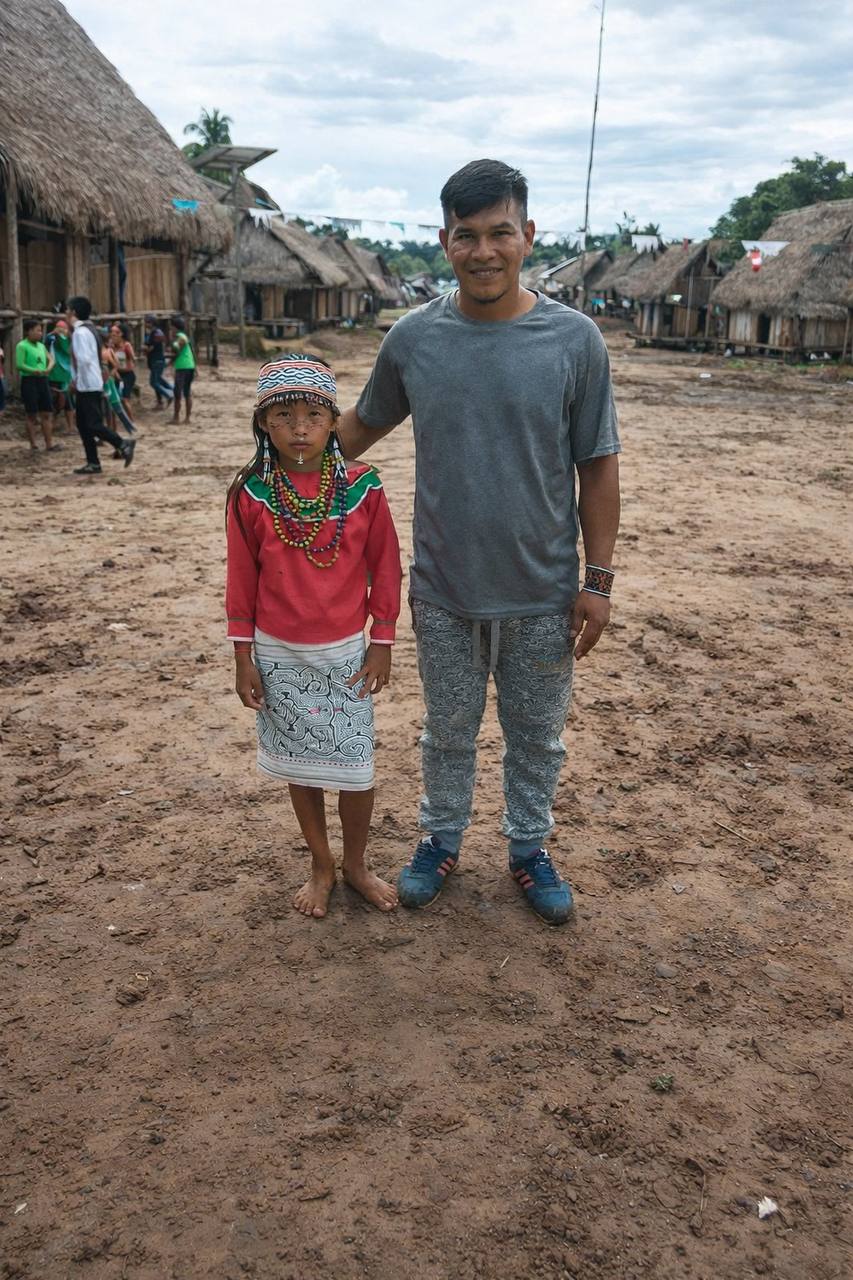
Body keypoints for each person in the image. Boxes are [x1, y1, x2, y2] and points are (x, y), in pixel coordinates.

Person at [337, 159, 621, 925]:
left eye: (501, 232)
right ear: (444, 241)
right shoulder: (414, 339)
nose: (484, 251)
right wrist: (281, 457)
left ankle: (528, 850)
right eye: (467, 236)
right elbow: (358, 430)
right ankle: (440, 840)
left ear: (528, 236)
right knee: (448, 733)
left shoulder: (573, 341)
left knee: (536, 737)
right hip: (443, 592)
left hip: (542, 593)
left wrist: (596, 582)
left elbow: (596, 466)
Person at [225, 354, 403, 919]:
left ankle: (356, 863)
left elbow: (387, 566)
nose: (299, 428)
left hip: (349, 653)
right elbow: (241, 581)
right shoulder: (252, 493)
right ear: (262, 425)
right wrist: (243, 658)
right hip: (278, 655)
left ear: (333, 422)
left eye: (312, 415)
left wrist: (383, 640)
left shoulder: (362, 486)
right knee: (301, 766)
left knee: (355, 768)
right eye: (282, 416)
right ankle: (321, 865)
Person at [67, 296, 135, 475]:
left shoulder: (81, 333)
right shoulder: (89, 330)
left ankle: (122, 443)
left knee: (93, 424)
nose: (66, 314)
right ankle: (93, 462)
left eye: (68, 310)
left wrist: (76, 381)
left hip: (87, 384)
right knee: (83, 424)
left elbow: (84, 360)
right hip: (90, 382)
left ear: (73, 312)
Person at [15, 319, 57, 453]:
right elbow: (19, 365)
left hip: (43, 380)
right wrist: (34, 370)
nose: (40, 333)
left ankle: (49, 444)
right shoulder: (21, 346)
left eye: (40, 331)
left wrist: (49, 368)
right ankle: (33, 444)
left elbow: (51, 359)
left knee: (46, 413)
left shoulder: (41, 346)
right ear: (29, 331)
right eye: (37, 330)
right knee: (31, 414)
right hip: (29, 381)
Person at [45, 319, 75, 436]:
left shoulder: (69, 340)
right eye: (58, 327)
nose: (60, 330)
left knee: (68, 402)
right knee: (52, 402)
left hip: (65, 374)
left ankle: (71, 427)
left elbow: (67, 350)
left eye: (63, 328)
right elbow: (45, 348)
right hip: (53, 374)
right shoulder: (50, 339)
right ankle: (51, 426)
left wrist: (61, 336)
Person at [170, 317, 196, 424]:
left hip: (182, 367)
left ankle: (176, 418)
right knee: (187, 392)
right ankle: (187, 418)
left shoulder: (180, 336)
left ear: (175, 327)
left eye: (171, 327)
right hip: (189, 366)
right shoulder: (183, 336)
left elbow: (180, 344)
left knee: (177, 393)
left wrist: (174, 344)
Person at [143, 316, 173, 408]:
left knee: (153, 382)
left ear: (151, 323)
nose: (145, 324)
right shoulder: (156, 332)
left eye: (147, 322)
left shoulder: (155, 333)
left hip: (157, 360)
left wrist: (143, 349)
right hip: (156, 360)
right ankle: (162, 400)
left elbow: (151, 348)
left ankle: (168, 395)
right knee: (158, 380)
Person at [109, 324, 136, 423]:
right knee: (113, 399)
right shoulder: (111, 346)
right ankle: (114, 423)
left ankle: (131, 421)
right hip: (116, 374)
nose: (112, 335)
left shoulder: (126, 345)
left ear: (121, 334)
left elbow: (133, 360)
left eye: (115, 333)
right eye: (111, 332)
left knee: (125, 399)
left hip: (128, 375)